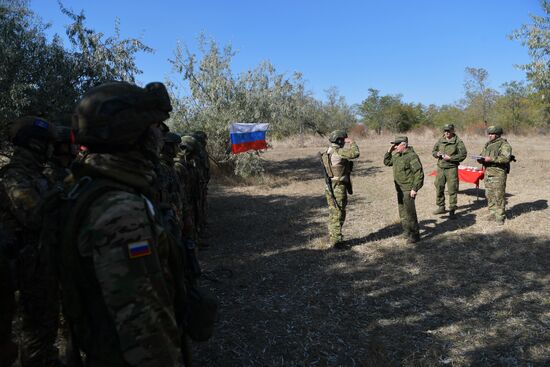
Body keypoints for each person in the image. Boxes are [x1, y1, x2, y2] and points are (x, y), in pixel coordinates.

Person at [58, 81, 187, 365]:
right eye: (154, 126)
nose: (159, 135)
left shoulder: (84, 185)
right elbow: (145, 332)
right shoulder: (120, 211)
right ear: (132, 134)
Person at [0, 116, 60, 367]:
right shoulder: (15, 177)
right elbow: (34, 216)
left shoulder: (37, 175)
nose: (51, 150)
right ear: (36, 145)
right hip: (27, 266)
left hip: (41, 262)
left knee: (47, 323)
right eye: (47, 144)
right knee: (34, 327)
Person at [322, 129, 360, 248]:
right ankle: (337, 242)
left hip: (331, 186)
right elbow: (355, 153)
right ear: (339, 140)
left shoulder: (328, 151)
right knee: (338, 213)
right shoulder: (337, 151)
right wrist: (352, 142)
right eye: (343, 140)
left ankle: (334, 236)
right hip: (337, 186)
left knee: (334, 212)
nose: (344, 142)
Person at [384, 136, 424, 243]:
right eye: (394, 145)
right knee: (402, 212)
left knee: (410, 213)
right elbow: (387, 162)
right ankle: (407, 231)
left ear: (404, 145)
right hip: (399, 189)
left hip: (408, 189)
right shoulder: (397, 155)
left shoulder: (411, 156)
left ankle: (415, 235)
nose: (395, 147)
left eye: (397, 145)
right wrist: (389, 151)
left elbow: (419, 174)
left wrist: (415, 189)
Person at [478, 125, 513, 225]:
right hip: (488, 172)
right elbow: (483, 154)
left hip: (498, 173)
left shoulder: (504, 145)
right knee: (489, 194)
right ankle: (492, 213)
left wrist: (491, 159)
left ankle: (500, 216)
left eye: (492, 134)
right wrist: (480, 159)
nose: (490, 135)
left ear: (498, 134)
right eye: (489, 134)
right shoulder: (488, 144)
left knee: (499, 195)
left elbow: (506, 158)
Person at [431, 123, 467, 218]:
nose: (446, 132)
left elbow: (463, 155)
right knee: (439, 187)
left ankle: (452, 210)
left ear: (452, 131)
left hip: (451, 168)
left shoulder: (458, 141)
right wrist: (437, 154)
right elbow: (433, 151)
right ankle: (441, 207)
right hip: (441, 168)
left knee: (452, 189)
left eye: (448, 131)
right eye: (445, 131)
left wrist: (451, 158)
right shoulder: (440, 140)